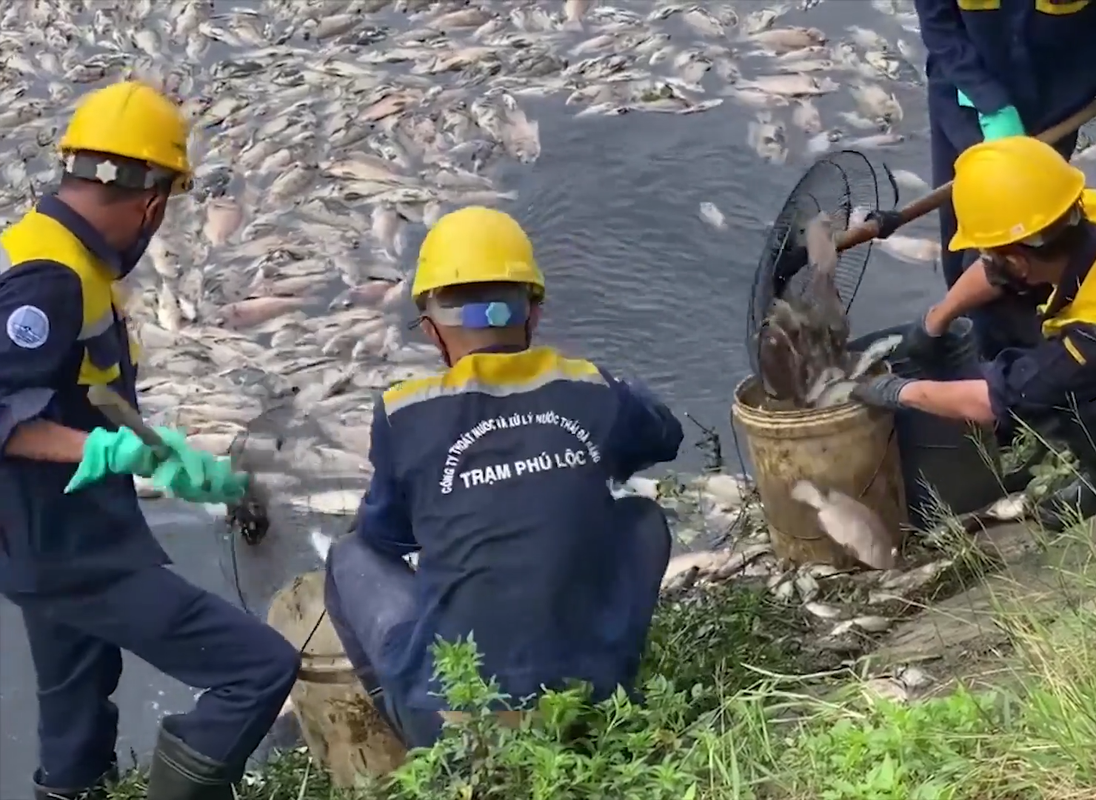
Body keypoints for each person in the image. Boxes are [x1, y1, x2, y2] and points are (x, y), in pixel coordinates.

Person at [0, 80, 301, 800]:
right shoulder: (51, 278)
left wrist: (159, 451)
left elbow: (74, 386)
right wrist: (106, 454)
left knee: (76, 703)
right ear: (153, 202)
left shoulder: (45, 247)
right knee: (258, 667)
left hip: (37, 541)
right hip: (69, 549)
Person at [323, 206, 684, 748]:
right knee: (641, 516)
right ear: (533, 314)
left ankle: (411, 726)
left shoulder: (404, 410)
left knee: (350, 556)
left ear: (431, 331)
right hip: (589, 699)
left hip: (453, 717)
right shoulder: (588, 385)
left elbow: (384, 538)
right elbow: (665, 436)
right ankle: (607, 686)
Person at [855, 136, 1096, 530]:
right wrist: (937, 319)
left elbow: (995, 399)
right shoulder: (1075, 212)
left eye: (991, 253)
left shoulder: (1089, 340)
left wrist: (897, 391)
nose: (985, 261)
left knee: (1073, 399)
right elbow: (1000, 265)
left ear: (1017, 260)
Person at [913, 0, 1096, 360]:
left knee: (1037, 242)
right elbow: (939, 24)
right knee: (965, 234)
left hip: (1057, 105)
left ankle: (1024, 372)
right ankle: (963, 335)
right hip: (967, 103)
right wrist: (990, 101)